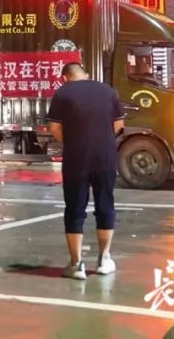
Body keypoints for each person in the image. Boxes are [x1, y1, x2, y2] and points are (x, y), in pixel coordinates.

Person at [47, 62, 125, 280]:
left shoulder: (62, 93)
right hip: (105, 157)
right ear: (86, 74)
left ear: (65, 78)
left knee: (75, 208)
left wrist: (73, 141)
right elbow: (118, 124)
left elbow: (54, 128)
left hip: (76, 157)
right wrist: (102, 139)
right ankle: (104, 260)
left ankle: (76, 265)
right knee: (105, 205)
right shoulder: (108, 90)